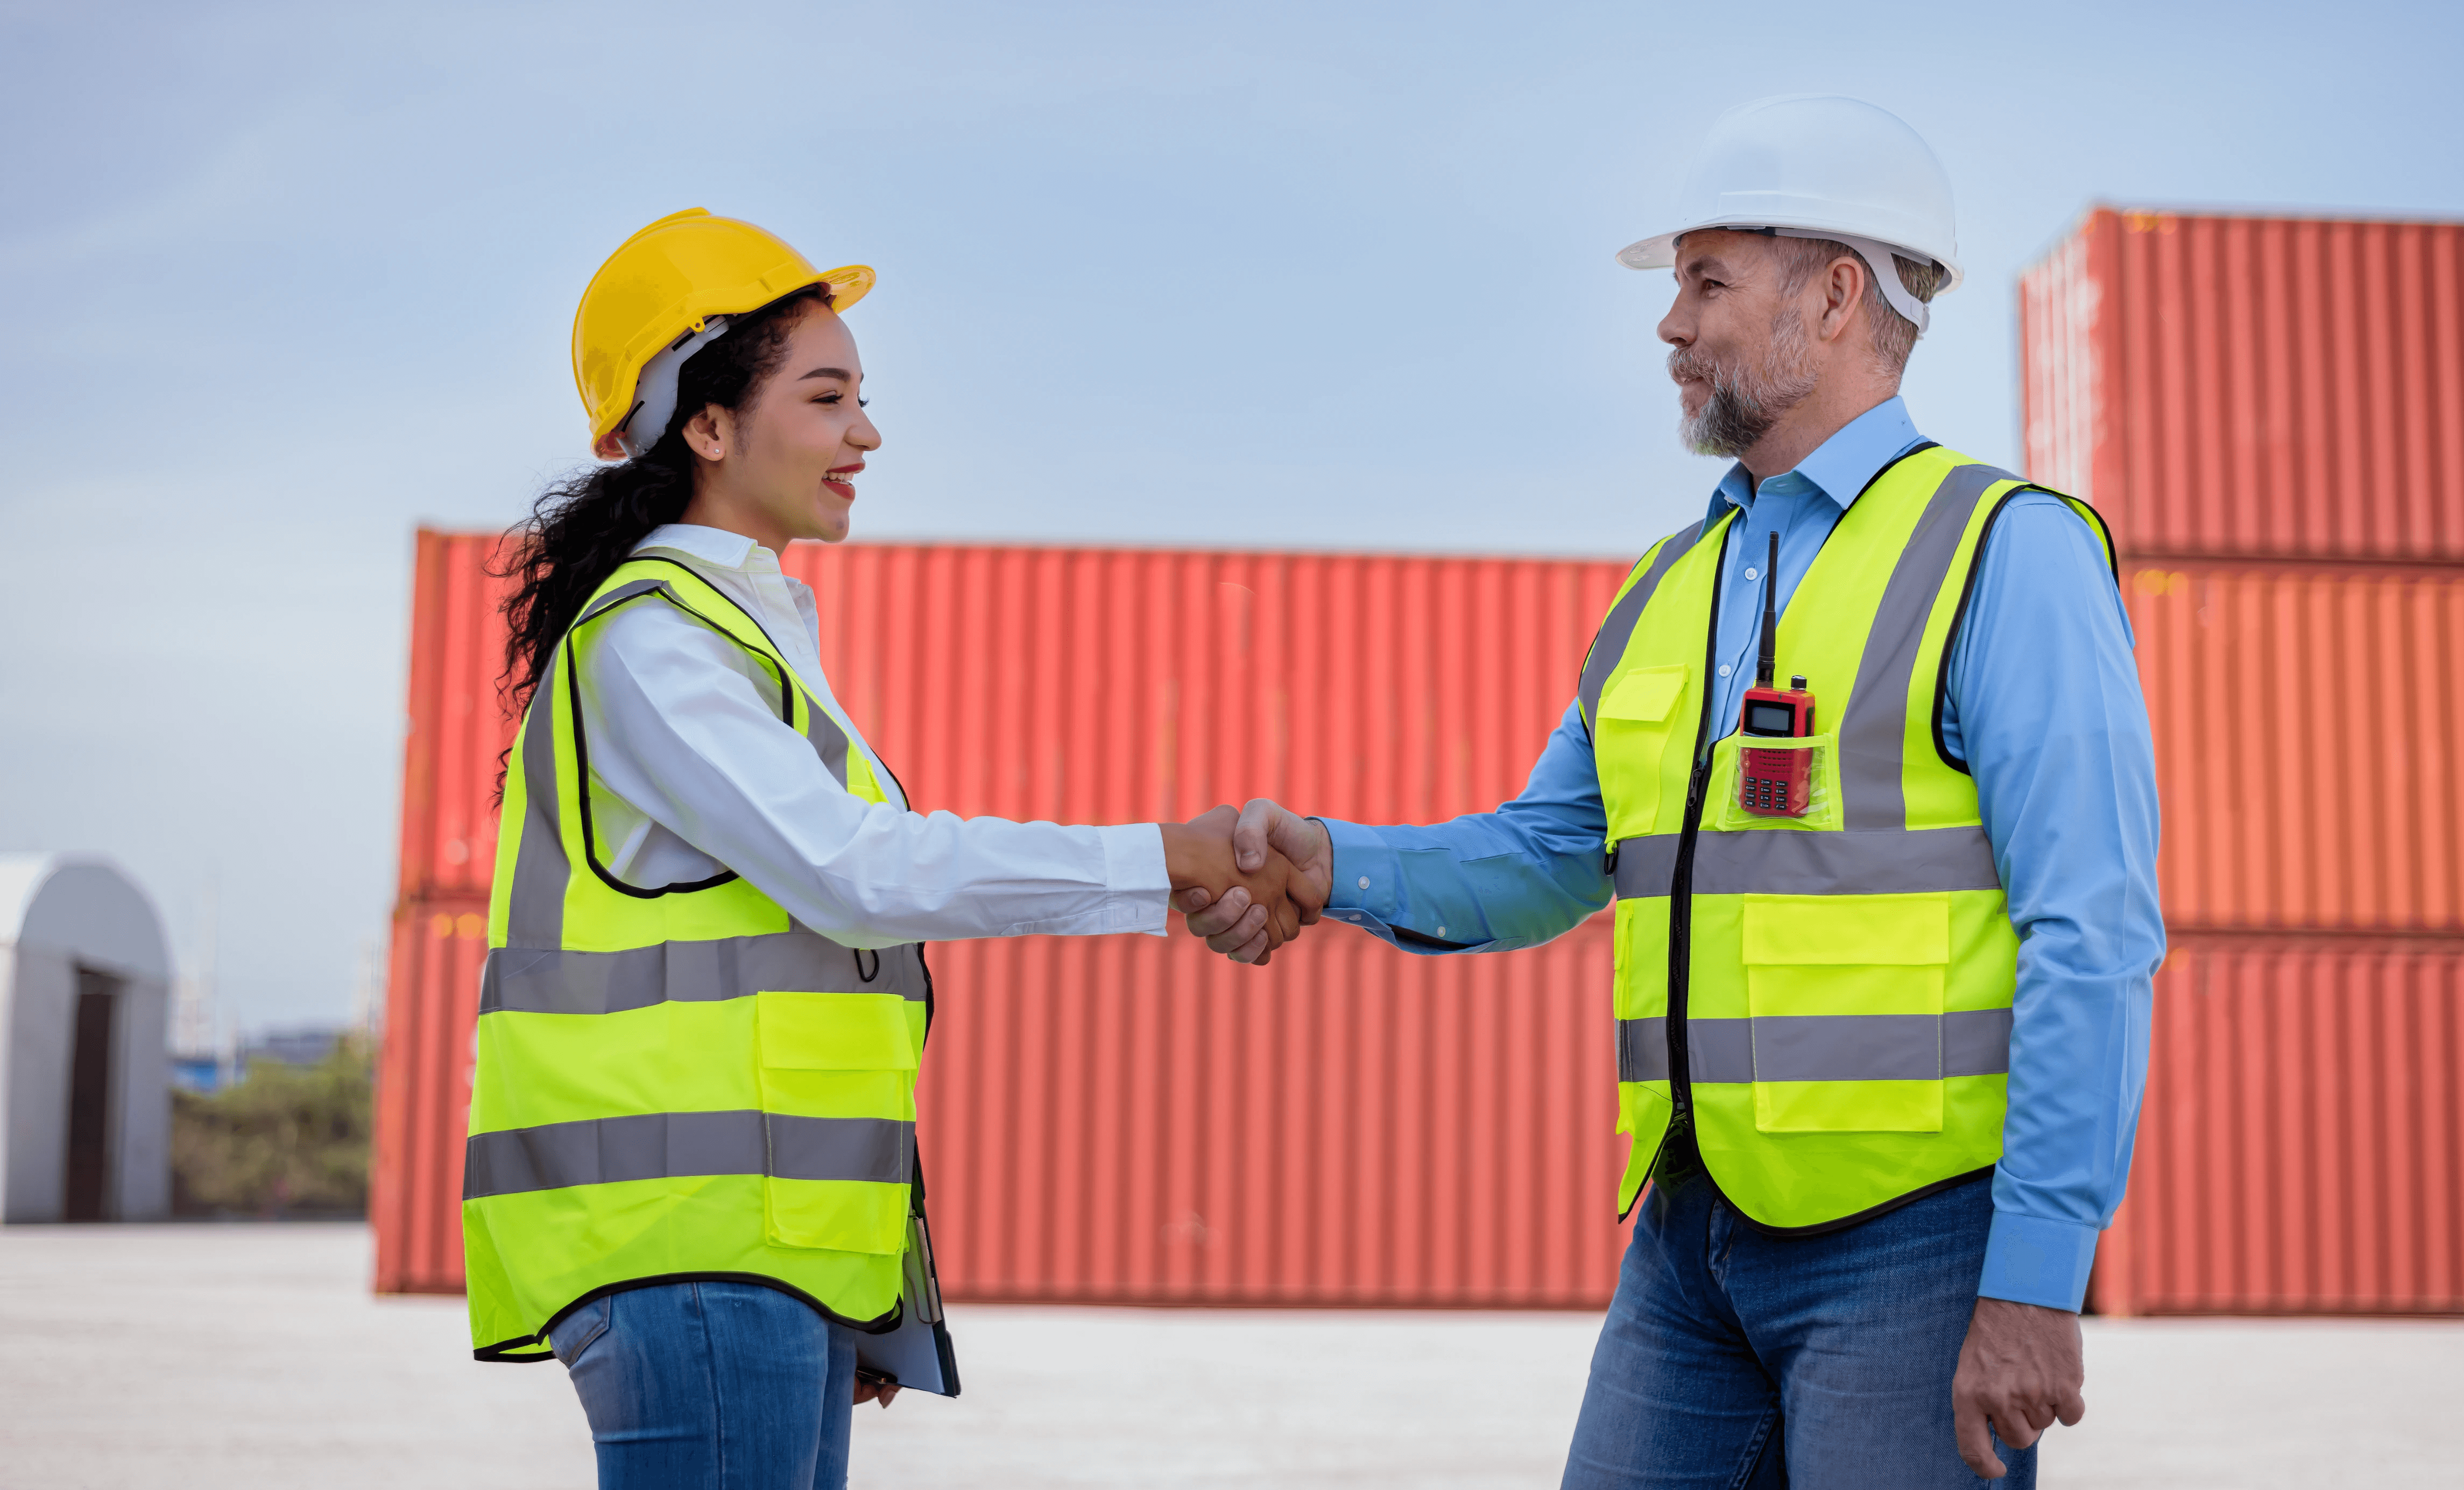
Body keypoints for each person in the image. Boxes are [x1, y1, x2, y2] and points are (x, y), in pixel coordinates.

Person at [1182, 97, 2165, 1487]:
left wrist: (2036, 1277)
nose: (1670, 326)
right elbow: (1546, 857)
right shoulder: (1663, 590)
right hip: (1687, 1238)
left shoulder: (2004, 552)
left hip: (1918, 1244)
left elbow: (2094, 929)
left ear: (1833, 297)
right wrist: (1325, 866)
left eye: (1707, 282)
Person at [467, 208, 1307, 1490]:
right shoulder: (653, 642)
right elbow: (860, 875)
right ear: (706, 424)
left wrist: (859, 1279)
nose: (867, 432)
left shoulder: (741, 639)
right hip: (692, 1255)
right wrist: (1171, 859)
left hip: (764, 1260)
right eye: (828, 396)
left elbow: (808, 987)